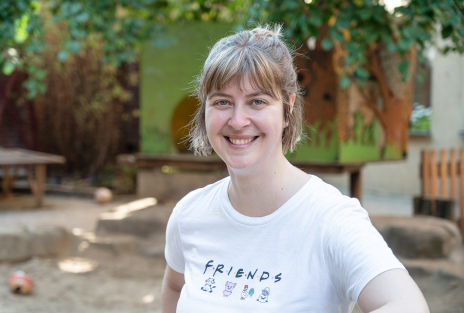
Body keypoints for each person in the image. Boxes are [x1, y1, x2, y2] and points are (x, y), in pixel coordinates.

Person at [161, 24, 429, 313]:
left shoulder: (331, 220)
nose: (237, 121)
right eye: (222, 102)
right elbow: (175, 286)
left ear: (287, 109)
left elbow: (407, 305)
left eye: (257, 102)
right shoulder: (189, 214)